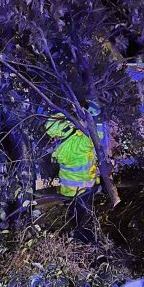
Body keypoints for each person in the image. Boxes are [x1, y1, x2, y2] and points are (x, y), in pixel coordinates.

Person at [45, 104, 102, 242]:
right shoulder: (76, 144)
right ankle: (85, 242)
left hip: (71, 191)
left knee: (77, 215)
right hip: (83, 189)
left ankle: (76, 238)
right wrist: (92, 115)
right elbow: (96, 136)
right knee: (85, 219)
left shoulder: (61, 147)